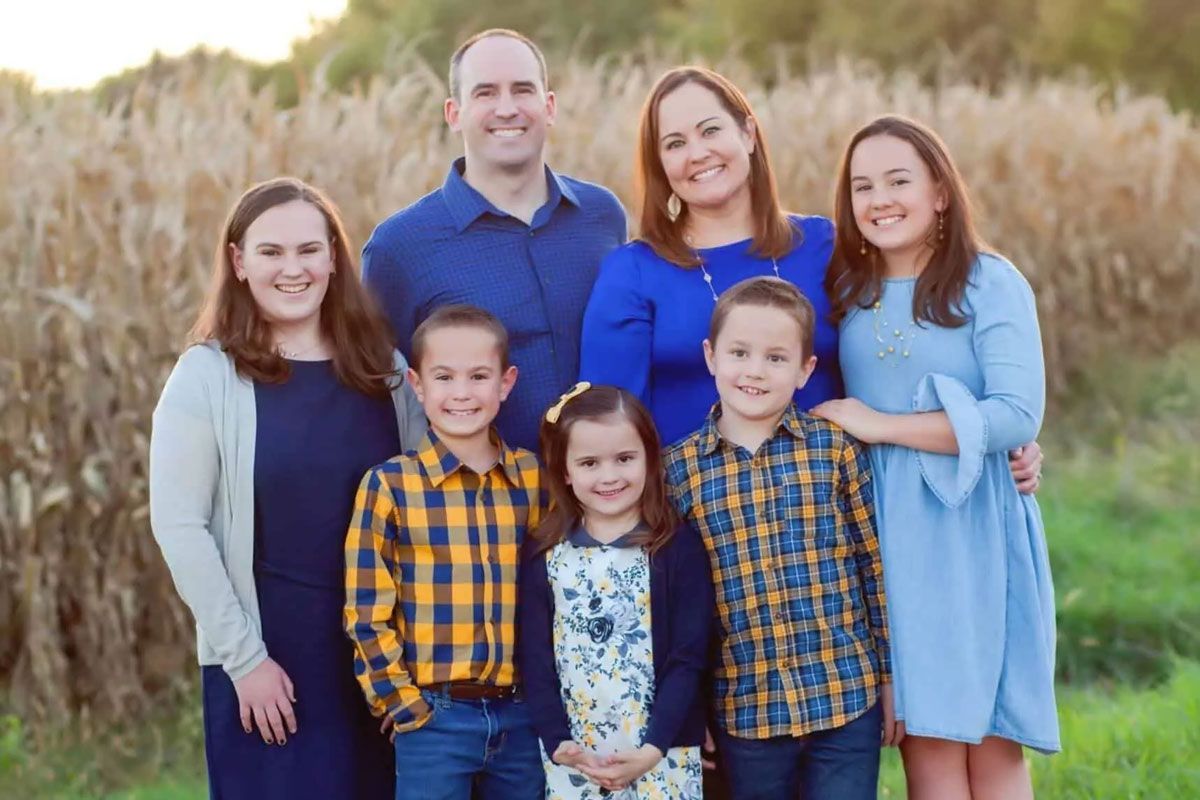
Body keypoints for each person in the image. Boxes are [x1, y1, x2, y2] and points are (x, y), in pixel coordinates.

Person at [149, 177, 426, 799]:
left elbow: (426, 502)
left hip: (382, 661)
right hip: (270, 666)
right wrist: (246, 663)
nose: (292, 269)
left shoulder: (384, 371)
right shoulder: (207, 376)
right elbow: (179, 526)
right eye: (271, 252)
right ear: (239, 262)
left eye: (309, 250)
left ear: (334, 256)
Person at [812, 115, 1060, 799]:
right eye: (863, 186)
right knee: (928, 744)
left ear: (940, 192)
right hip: (892, 535)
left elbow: (1016, 413)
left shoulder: (989, 281)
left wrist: (884, 425)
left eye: (899, 181)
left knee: (992, 742)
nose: (880, 199)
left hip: (976, 529)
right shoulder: (845, 292)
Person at [664, 277, 895, 800]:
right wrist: (690, 709)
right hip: (747, 710)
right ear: (710, 356)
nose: (754, 371)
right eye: (739, 353)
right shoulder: (678, 472)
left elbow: (872, 566)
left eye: (775, 358)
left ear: (805, 369)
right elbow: (678, 606)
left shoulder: (832, 450)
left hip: (843, 696)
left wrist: (888, 678)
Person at [363, 28, 627, 452]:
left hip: (601, 499)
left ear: (549, 106)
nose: (507, 109)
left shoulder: (601, 215)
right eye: (485, 93)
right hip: (478, 509)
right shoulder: (400, 248)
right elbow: (379, 397)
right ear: (454, 114)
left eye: (522, 90)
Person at [344, 304, 545, 800]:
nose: (461, 393)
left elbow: (553, 589)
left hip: (521, 716)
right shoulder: (390, 486)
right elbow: (366, 613)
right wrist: (401, 706)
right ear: (417, 384)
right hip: (434, 716)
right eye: (444, 377)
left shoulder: (532, 477)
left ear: (506, 381)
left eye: (479, 376)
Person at [518, 383, 713, 799]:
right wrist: (558, 742)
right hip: (577, 761)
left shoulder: (675, 548)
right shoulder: (546, 553)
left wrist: (654, 747)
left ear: (649, 458)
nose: (609, 476)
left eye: (624, 459)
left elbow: (688, 656)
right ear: (565, 471)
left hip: (662, 754)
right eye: (589, 462)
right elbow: (535, 660)